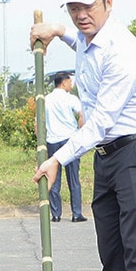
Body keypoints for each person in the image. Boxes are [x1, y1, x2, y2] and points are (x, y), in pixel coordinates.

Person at [30, 0, 136, 271]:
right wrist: (58, 30)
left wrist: (57, 159)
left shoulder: (123, 51)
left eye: (88, 7)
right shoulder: (88, 40)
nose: (81, 15)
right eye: (73, 9)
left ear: (108, 3)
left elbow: (100, 122)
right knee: (111, 251)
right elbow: (78, 39)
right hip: (107, 157)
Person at [44, 71, 86, 223]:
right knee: (73, 178)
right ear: (64, 83)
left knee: (54, 178)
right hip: (70, 140)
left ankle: (56, 214)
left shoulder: (46, 100)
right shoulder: (71, 99)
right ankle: (76, 213)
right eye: (70, 82)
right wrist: (81, 133)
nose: (71, 84)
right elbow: (82, 115)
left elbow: (38, 123)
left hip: (52, 140)